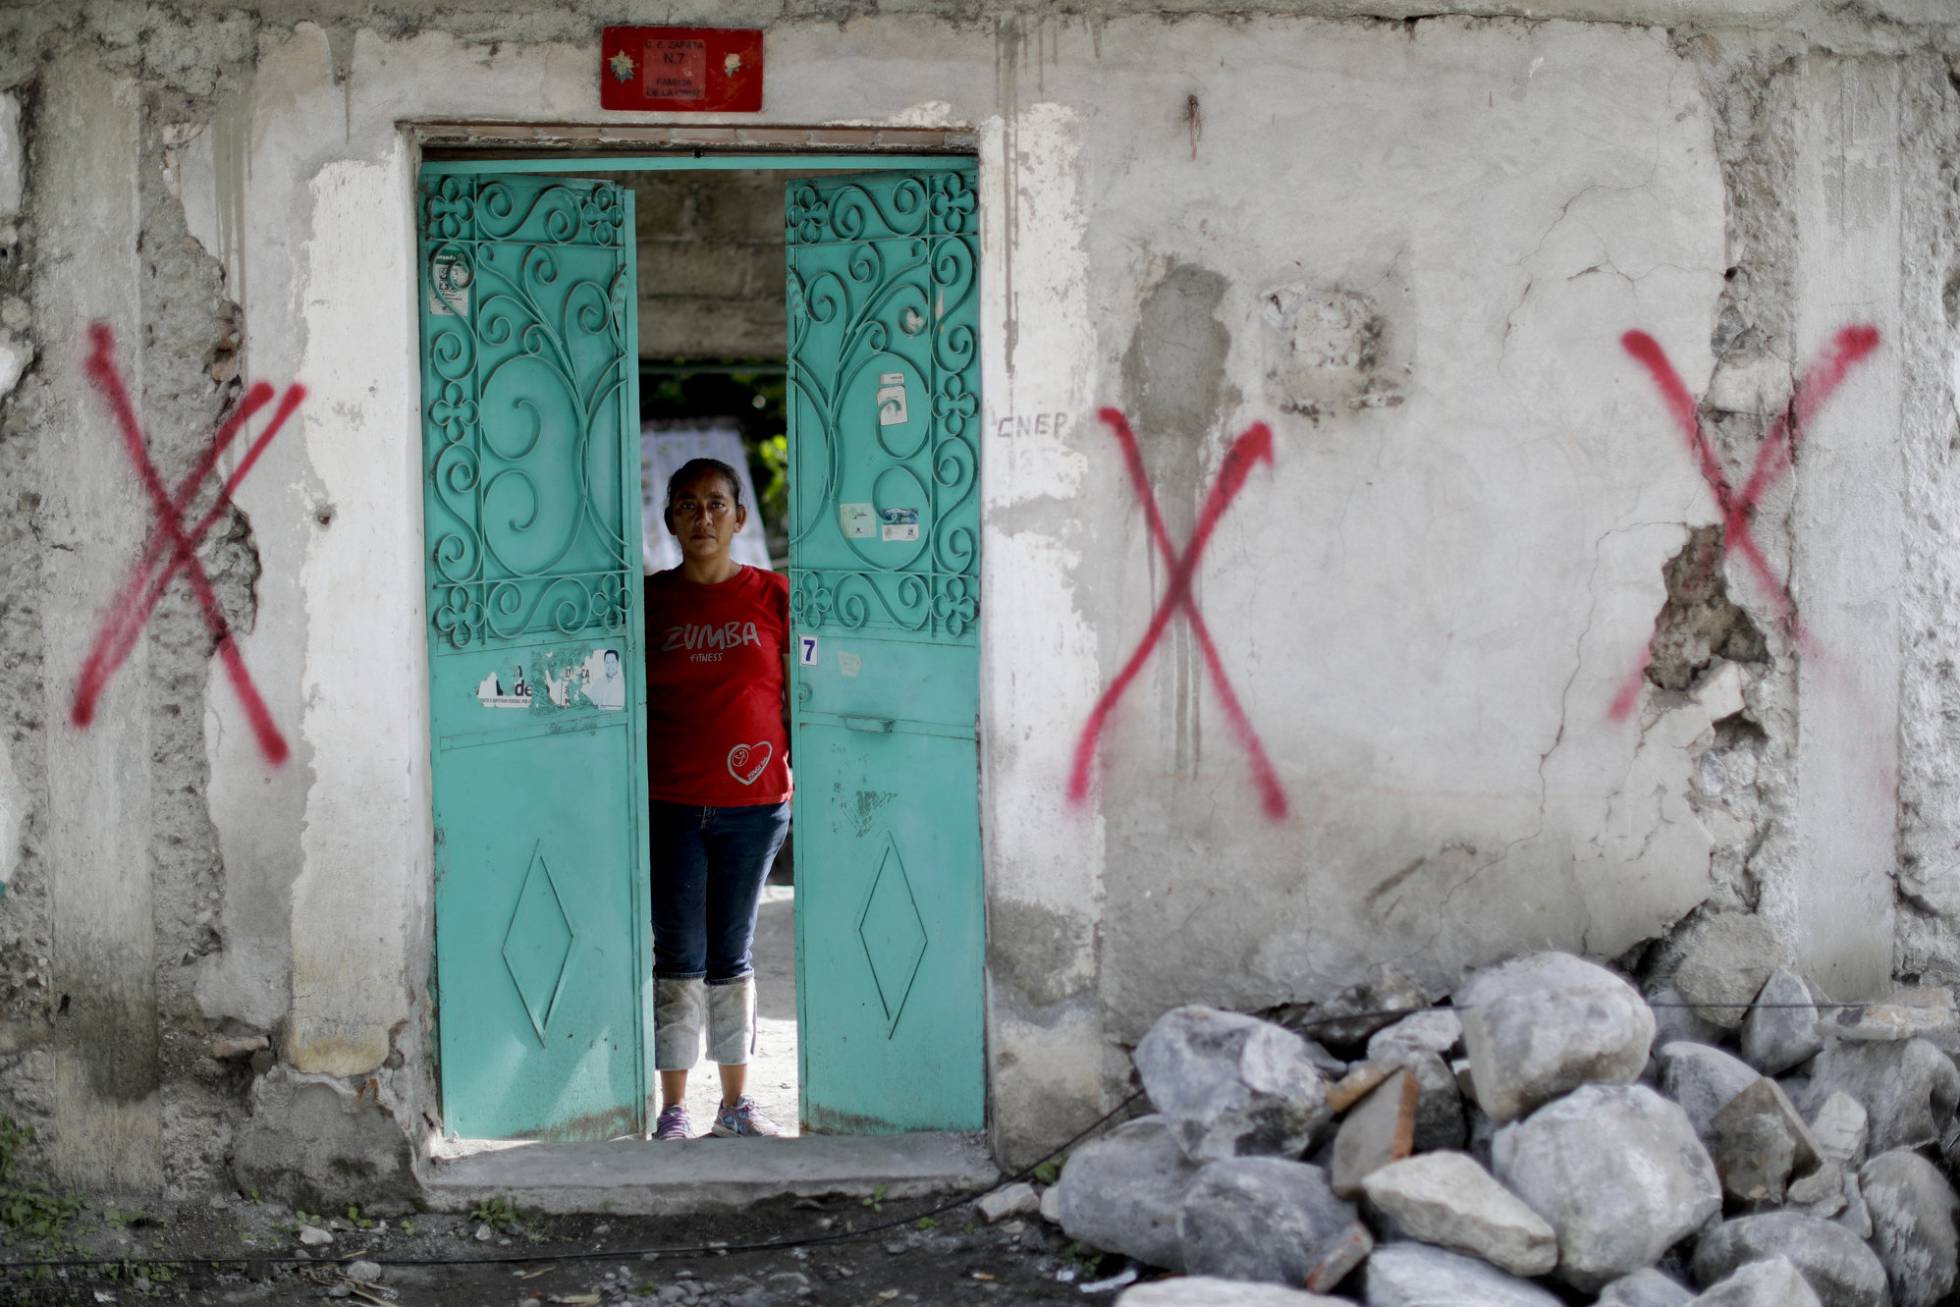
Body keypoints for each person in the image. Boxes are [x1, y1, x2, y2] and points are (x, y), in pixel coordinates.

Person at [643, 457, 792, 1141]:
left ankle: (735, 1105)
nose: (702, 516)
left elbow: (804, 688)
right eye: (688, 503)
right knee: (678, 955)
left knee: (732, 952)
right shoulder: (649, 603)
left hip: (755, 808)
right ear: (670, 517)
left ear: (739, 516)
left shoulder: (773, 596)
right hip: (670, 803)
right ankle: (672, 1108)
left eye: (716, 503)